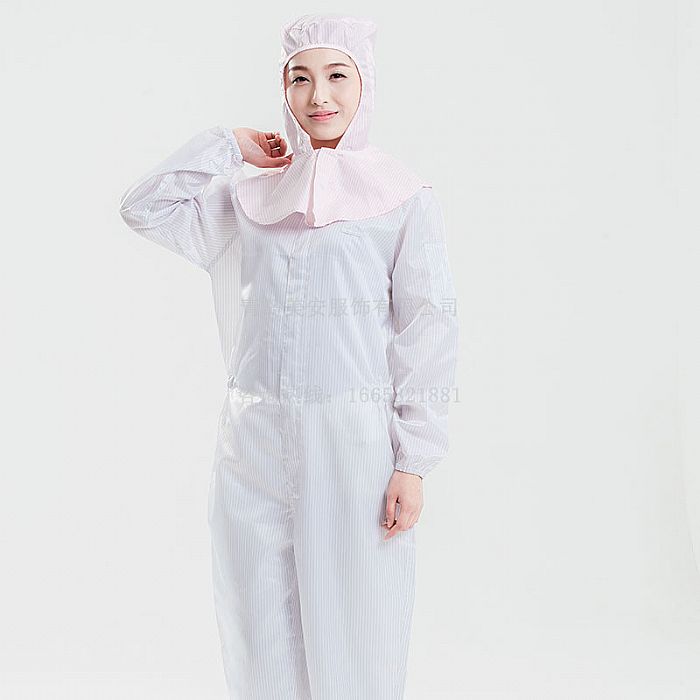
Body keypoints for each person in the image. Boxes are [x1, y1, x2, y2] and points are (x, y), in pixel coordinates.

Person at [118, 12, 458, 700]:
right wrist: (226, 146)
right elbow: (144, 208)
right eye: (299, 79)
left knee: (357, 632)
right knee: (260, 634)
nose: (318, 96)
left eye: (337, 76)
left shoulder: (401, 199)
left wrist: (413, 460)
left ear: (365, 83)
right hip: (252, 441)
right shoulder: (248, 196)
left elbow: (428, 328)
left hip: (352, 442)